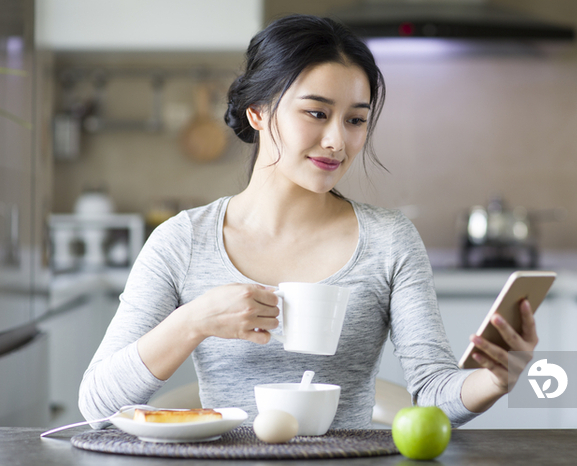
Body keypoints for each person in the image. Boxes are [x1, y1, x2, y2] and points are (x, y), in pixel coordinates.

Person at [79, 14, 537, 429]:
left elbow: (434, 395)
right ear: (258, 112)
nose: (337, 140)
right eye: (316, 113)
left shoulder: (389, 240)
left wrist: (493, 381)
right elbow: (96, 403)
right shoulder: (182, 241)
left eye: (355, 120)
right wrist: (192, 322)